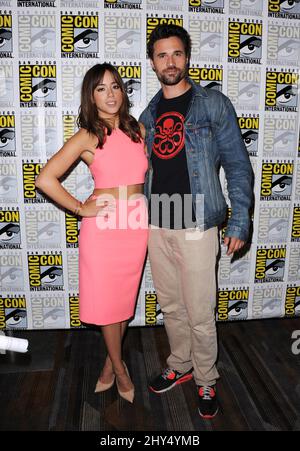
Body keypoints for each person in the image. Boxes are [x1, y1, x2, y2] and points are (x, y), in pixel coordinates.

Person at [139, 25, 253, 418]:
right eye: (161, 55)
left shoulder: (213, 105)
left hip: (197, 223)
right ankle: (180, 363)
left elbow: (238, 166)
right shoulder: (148, 113)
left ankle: (206, 379)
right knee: (171, 306)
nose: (169, 62)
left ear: (187, 57)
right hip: (158, 220)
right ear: (152, 62)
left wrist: (239, 222)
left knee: (200, 310)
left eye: (176, 54)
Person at [36, 63, 149, 404]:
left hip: (136, 223)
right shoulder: (88, 135)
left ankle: (107, 367)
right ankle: (121, 369)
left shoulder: (138, 130)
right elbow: (45, 179)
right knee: (106, 303)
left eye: (115, 86)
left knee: (123, 302)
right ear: (91, 95)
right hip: (102, 228)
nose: (110, 94)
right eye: (101, 88)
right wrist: (80, 207)